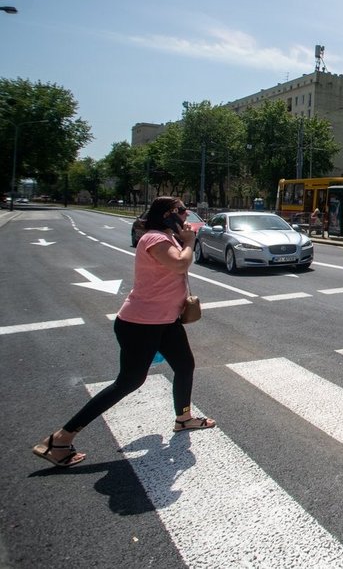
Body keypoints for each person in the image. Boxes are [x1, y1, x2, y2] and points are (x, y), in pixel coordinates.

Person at [31, 197, 217, 468]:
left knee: (185, 366)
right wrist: (189, 242)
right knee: (129, 382)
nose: (187, 214)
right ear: (168, 215)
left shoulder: (168, 236)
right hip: (141, 324)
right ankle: (59, 439)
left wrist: (183, 238)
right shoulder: (154, 239)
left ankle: (184, 418)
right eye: (182, 210)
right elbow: (179, 264)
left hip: (166, 321)